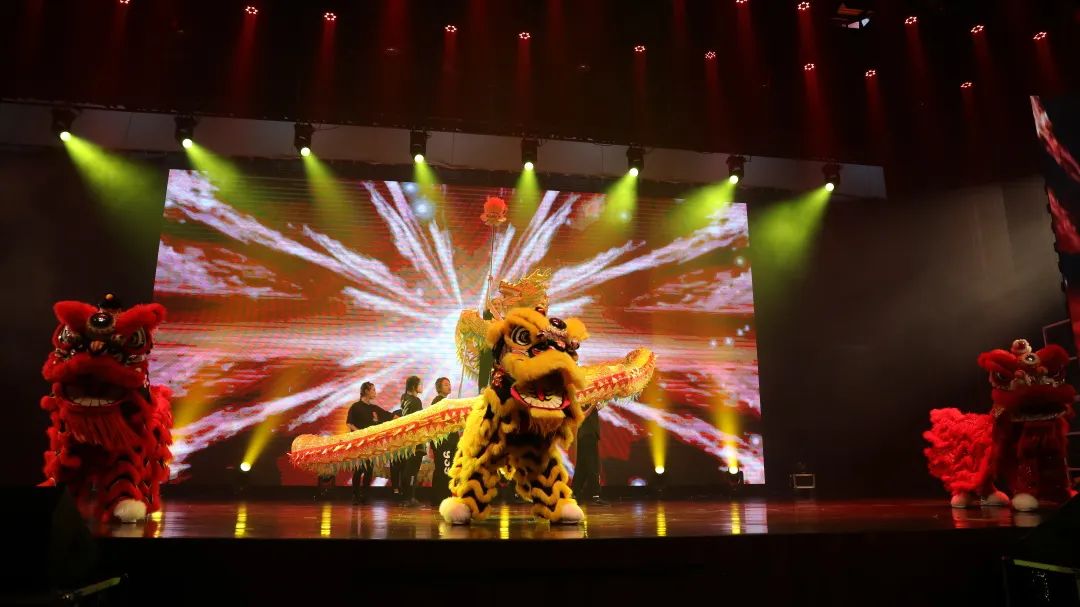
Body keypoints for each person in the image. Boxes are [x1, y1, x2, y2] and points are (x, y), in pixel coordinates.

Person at [346, 382, 391, 504]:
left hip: (370, 445)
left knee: (369, 470)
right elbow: (349, 423)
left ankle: (365, 496)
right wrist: (361, 435)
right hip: (359, 444)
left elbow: (389, 416)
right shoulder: (355, 407)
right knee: (359, 469)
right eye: (373, 390)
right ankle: (355, 496)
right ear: (366, 391)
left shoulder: (374, 408)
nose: (375, 392)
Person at [395, 376, 425, 507]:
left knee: (406, 470)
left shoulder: (405, 399)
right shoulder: (415, 401)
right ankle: (410, 498)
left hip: (406, 441)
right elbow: (417, 422)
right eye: (420, 384)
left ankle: (405, 498)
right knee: (412, 471)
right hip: (415, 441)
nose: (422, 387)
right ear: (413, 387)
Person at [428, 378, 457, 505]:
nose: (449, 386)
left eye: (449, 384)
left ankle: (438, 497)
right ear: (439, 387)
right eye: (445, 384)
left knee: (443, 469)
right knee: (444, 469)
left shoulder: (444, 401)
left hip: (447, 442)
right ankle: (442, 497)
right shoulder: (439, 402)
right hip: (444, 443)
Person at [572, 404, 606, 505]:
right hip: (586, 436)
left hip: (590, 436)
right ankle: (595, 496)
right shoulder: (582, 400)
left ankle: (575, 494)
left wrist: (597, 405)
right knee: (592, 466)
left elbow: (595, 410)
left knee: (582, 467)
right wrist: (592, 406)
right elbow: (582, 416)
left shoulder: (590, 400)